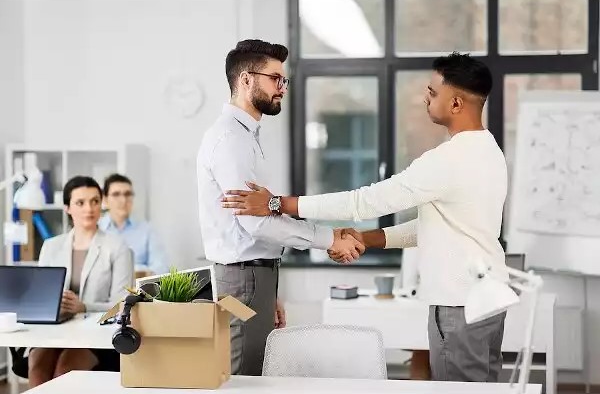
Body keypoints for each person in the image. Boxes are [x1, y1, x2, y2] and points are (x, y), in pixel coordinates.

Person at [222, 52, 508, 382]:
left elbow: (365, 203)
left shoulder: (447, 160)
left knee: (461, 390)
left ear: (456, 103)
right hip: (486, 302)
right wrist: (367, 239)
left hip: (459, 305)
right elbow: (436, 225)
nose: (424, 98)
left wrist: (277, 204)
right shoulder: (489, 151)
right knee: (486, 386)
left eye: (432, 92)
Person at [197, 39, 364, 376]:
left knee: (256, 372)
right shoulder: (230, 141)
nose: (282, 88)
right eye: (276, 78)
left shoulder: (247, 137)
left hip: (254, 276)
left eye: (283, 80)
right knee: (245, 378)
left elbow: (265, 217)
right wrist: (329, 239)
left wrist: (270, 291)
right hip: (244, 278)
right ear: (246, 79)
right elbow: (256, 224)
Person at [28, 176, 134, 388]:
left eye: (95, 201)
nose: (89, 208)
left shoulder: (117, 247)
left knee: (64, 371)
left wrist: (83, 306)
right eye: (80, 203)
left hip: (95, 336)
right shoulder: (51, 246)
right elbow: (40, 297)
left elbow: (123, 304)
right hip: (55, 331)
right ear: (67, 208)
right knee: (38, 372)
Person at [99, 173, 169, 275]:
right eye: (116, 194)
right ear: (105, 199)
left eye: (127, 194)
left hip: (138, 289)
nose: (123, 200)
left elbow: (161, 268)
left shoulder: (147, 231)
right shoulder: (96, 230)